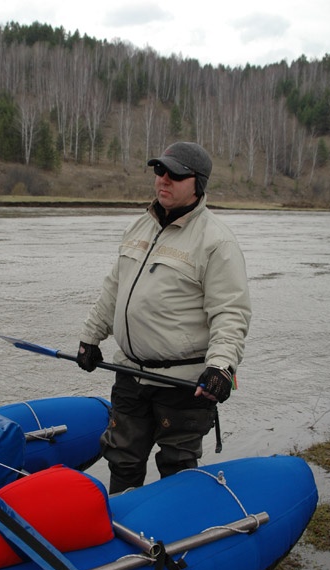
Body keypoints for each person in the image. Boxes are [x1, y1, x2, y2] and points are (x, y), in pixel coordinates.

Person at [77, 142, 251, 494]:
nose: (164, 180)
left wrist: (220, 367)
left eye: (175, 174)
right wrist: (90, 336)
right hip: (129, 375)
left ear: (197, 183)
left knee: (177, 467)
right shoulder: (140, 226)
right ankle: (122, 531)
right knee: (122, 459)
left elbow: (230, 312)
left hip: (183, 386)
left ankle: (177, 540)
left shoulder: (217, 241)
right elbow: (114, 289)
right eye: (160, 171)